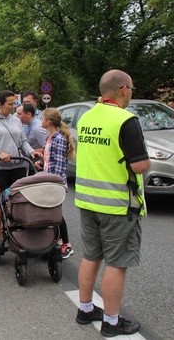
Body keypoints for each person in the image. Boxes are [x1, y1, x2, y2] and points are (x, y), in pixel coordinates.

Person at [75, 69, 150, 337]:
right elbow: (140, 165)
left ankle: (85, 309)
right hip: (118, 205)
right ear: (123, 89)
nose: (131, 92)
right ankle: (112, 321)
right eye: (131, 88)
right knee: (117, 263)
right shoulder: (126, 120)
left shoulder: (86, 117)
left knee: (90, 256)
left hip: (87, 200)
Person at [0, 91, 41, 243]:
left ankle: (15, 230)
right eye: (10, 104)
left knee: (17, 199)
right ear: (0, 104)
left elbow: (23, 142)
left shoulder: (16, 121)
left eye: (14, 103)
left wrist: (32, 152)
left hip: (18, 165)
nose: (13, 107)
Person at [40, 108, 75, 259]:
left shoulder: (58, 139)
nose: (40, 121)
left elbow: (60, 166)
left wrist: (52, 183)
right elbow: (50, 161)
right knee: (50, 214)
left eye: (42, 118)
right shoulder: (49, 137)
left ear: (48, 122)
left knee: (56, 215)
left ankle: (67, 245)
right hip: (49, 181)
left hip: (55, 184)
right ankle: (57, 241)